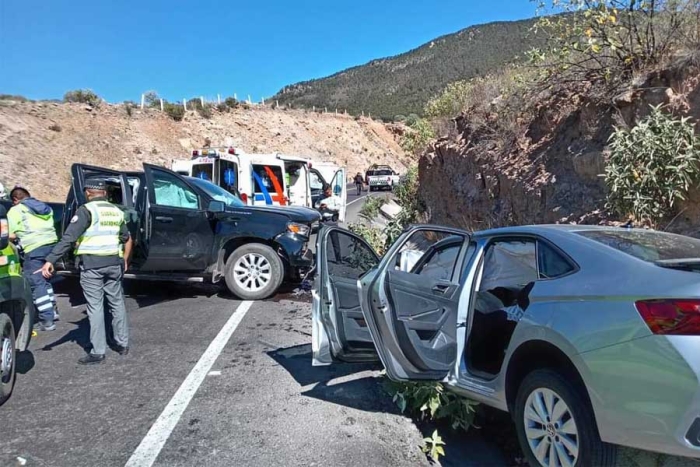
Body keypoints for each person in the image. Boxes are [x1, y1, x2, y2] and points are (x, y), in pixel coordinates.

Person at [38, 178, 133, 365]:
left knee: (95, 306)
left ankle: (98, 351)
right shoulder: (116, 211)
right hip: (113, 264)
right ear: (104, 193)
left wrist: (50, 260)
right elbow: (126, 237)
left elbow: (68, 238)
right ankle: (122, 343)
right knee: (116, 303)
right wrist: (125, 260)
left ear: (88, 193)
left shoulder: (86, 211)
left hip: (92, 266)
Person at [7, 187, 59, 331]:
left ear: (15, 200)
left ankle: (46, 319)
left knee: (35, 282)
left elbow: (10, 234)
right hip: (51, 246)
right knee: (45, 278)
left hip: (34, 247)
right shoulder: (44, 207)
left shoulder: (16, 210)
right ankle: (52, 311)